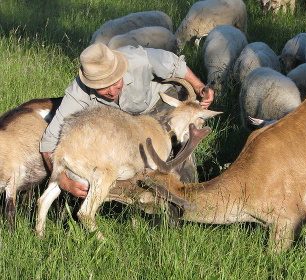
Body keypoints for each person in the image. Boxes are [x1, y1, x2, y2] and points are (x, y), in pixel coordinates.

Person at [40, 43, 215, 198]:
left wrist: (199, 86)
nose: (111, 91)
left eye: (115, 82)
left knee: (180, 145)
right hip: (125, 121)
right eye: (102, 87)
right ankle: (148, 202)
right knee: (140, 162)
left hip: (160, 102)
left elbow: (175, 64)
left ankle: (191, 193)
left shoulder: (139, 59)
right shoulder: (78, 92)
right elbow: (49, 141)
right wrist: (63, 181)